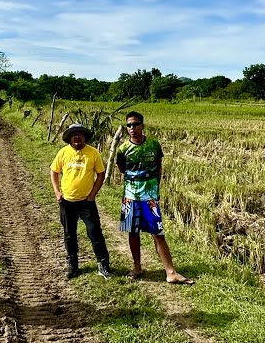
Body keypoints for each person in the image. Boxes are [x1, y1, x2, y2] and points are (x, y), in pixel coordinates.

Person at [116, 111, 193, 285]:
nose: (132, 128)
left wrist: (155, 188)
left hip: (150, 197)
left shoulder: (153, 145)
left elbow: (159, 167)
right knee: (133, 232)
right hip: (130, 197)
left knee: (158, 233)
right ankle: (137, 267)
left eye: (135, 124)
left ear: (142, 125)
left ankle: (170, 272)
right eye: (129, 125)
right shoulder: (123, 149)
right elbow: (122, 169)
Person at [50, 123, 112, 279]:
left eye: (80, 134)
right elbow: (54, 171)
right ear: (69, 138)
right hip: (67, 202)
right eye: (73, 134)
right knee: (69, 234)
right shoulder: (63, 153)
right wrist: (57, 192)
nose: (77, 137)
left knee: (94, 232)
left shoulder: (93, 153)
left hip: (87, 203)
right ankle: (73, 265)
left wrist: (92, 195)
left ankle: (103, 264)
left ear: (85, 136)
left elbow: (101, 175)